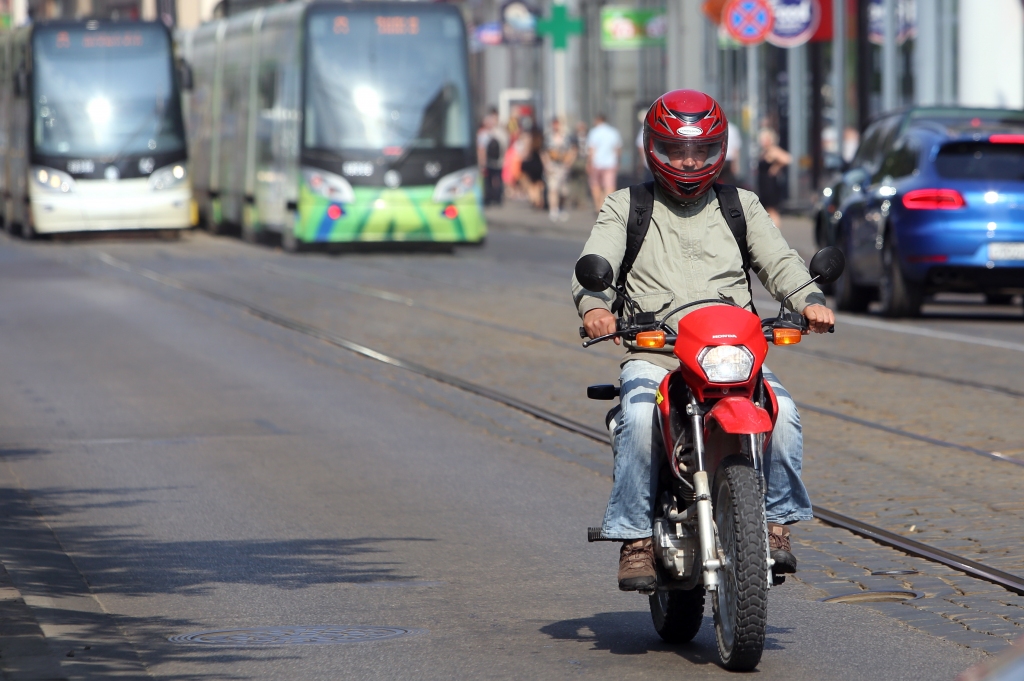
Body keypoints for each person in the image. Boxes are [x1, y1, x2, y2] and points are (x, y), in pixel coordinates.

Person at [571, 90, 835, 592]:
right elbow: (593, 268)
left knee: (785, 414)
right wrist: (597, 309)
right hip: (658, 351)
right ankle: (635, 538)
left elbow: (781, 263)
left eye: (700, 151)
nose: (689, 162)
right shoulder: (626, 205)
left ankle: (775, 524)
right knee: (640, 415)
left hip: (732, 352)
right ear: (654, 149)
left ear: (719, 150)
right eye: (676, 150)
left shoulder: (743, 205)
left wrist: (809, 300)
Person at [542, 118, 577, 221]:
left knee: (563, 191)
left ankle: (561, 208)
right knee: (553, 188)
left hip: (563, 166)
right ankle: (553, 210)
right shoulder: (548, 137)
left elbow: (573, 150)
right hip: (553, 166)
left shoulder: (567, 137)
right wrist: (547, 164)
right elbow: (544, 152)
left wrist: (569, 163)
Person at [586, 114, 622, 212]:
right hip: (610, 163)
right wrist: (618, 161)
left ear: (597, 120)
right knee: (609, 186)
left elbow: (591, 149)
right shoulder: (613, 132)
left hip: (596, 163)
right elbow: (617, 149)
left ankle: (598, 205)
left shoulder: (594, 132)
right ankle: (606, 206)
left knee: (595, 185)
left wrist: (589, 163)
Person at [757, 127, 791, 225]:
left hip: (770, 185)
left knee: (772, 210)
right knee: (766, 210)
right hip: (764, 185)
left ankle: (776, 233)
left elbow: (787, 158)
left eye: (764, 139)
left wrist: (776, 167)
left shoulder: (773, 150)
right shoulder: (764, 151)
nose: (762, 141)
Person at [476, 107, 504, 205]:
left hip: (489, 162)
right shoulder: (500, 133)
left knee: (488, 180)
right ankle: (497, 197)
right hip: (499, 161)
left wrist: (481, 162)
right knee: (497, 179)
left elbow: (481, 149)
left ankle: (489, 197)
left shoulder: (483, 134)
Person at [519, 129, 546, 209]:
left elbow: (525, 154)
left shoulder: (529, 142)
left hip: (530, 164)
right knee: (538, 184)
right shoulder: (541, 143)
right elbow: (543, 156)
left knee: (531, 186)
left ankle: (535, 200)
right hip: (538, 165)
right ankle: (538, 200)